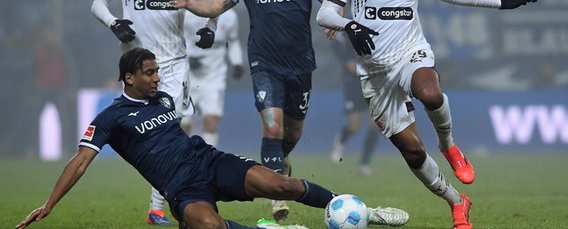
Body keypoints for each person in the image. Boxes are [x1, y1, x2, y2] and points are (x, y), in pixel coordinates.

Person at [14, 48, 410, 229]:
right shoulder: (110, 118)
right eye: (149, 73)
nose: (156, 78)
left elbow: (175, 137)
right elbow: (80, 160)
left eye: (156, 72)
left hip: (208, 161)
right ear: (129, 77)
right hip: (181, 188)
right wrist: (49, 204)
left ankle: (369, 213)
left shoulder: (165, 98)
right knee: (210, 226)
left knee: (281, 183)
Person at [315, 0, 537, 228]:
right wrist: (350, 24)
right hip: (376, 73)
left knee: (430, 94)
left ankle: (448, 146)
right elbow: (325, 14)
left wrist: (500, 2)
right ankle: (458, 202)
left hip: (411, 53)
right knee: (413, 152)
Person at [167, 0, 336, 221]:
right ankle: (276, 196)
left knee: (292, 132)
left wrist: (334, 17)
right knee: (272, 125)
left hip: (300, 67)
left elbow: (330, 0)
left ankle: (280, 166)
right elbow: (216, 6)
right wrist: (188, 2)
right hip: (264, 64)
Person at [90, 0, 219, 225]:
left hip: (173, 64)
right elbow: (98, 3)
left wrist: (210, 28)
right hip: (136, 66)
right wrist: (114, 23)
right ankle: (167, 201)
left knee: (173, 131)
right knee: (149, 136)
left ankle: (160, 206)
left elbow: (214, 2)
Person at [181, 0, 245, 147]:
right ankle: (183, 159)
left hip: (214, 76)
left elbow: (232, 41)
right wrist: (188, 58)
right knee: (184, 123)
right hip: (187, 76)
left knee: (211, 121)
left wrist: (237, 62)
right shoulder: (188, 13)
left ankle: (210, 161)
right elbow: (176, 41)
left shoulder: (230, 17)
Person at [329, 31, 380, 177]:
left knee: (375, 123)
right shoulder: (349, 26)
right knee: (354, 125)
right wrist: (346, 60)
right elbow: (336, 42)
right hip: (354, 81)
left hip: (374, 79)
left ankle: (364, 163)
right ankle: (340, 143)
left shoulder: (378, 24)